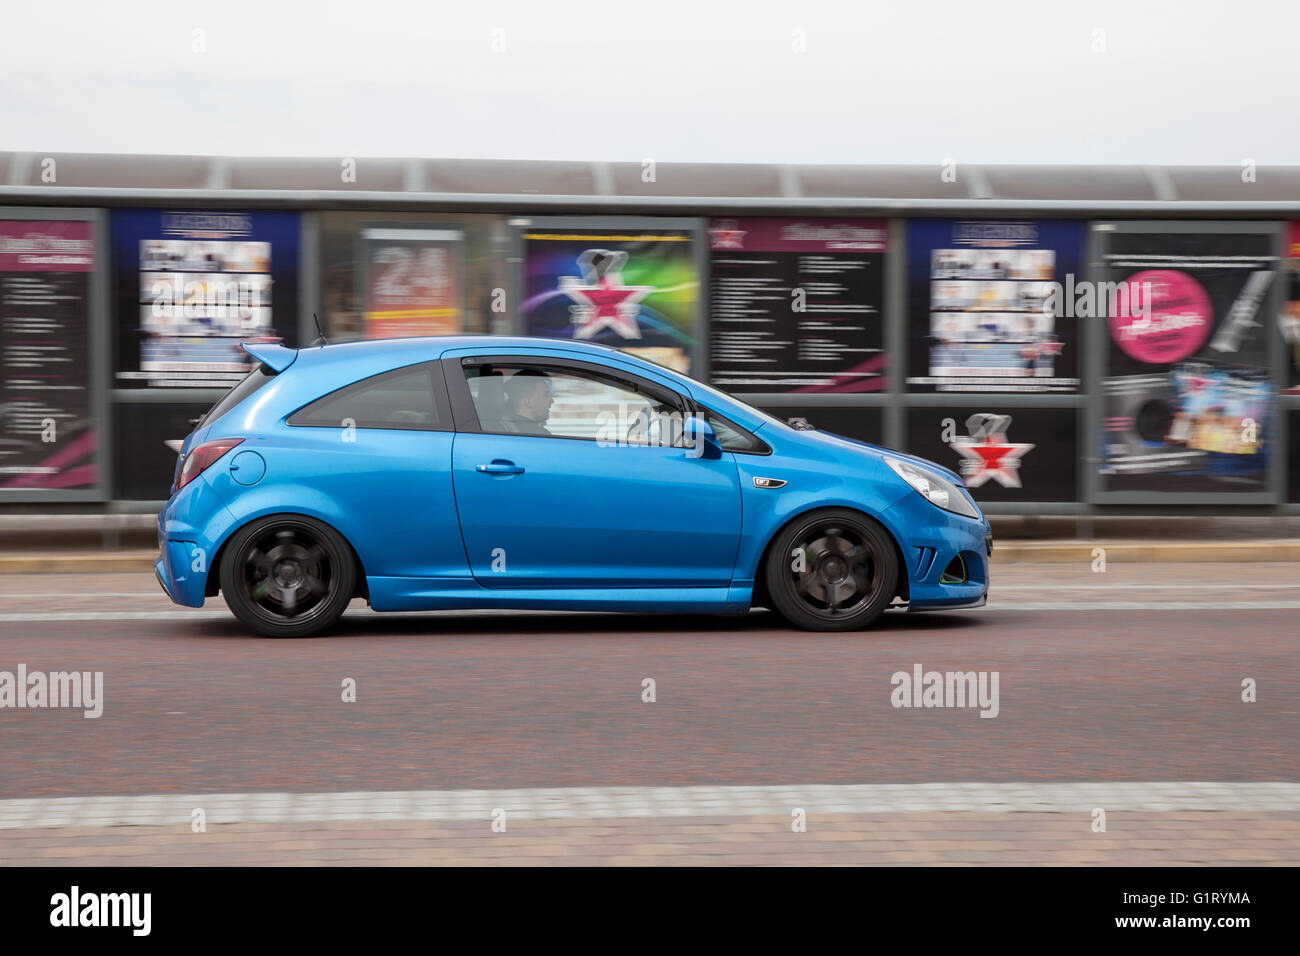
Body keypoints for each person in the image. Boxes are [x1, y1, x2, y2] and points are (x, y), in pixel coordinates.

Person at [499, 369, 554, 436]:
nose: (552, 401)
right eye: (546, 394)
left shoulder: (503, 429)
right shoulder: (540, 435)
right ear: (528, 401)